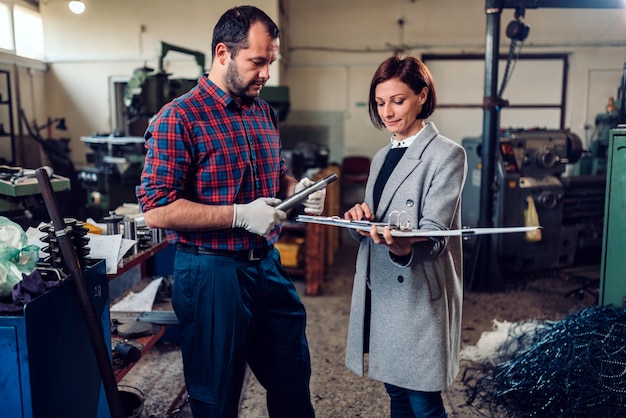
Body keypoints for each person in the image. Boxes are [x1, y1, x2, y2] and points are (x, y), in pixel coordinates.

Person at [136, 6, 322, 417]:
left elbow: (275, 175)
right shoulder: (179, 118)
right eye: (257, 61)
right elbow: (157, 210)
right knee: (216, 398)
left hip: (266, 266)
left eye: (270, 62)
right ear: (223, 53)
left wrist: (297, 190)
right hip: (211, 274)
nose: (266, 74)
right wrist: (237, 215)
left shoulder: (263, 112)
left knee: (293, 380)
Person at [343, 55, 467, 418]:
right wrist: (358, 219)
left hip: (417, 292)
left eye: (397, 100)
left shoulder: (447, 154)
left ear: (422, 96)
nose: (387, 112)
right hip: (383, 290)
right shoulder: (381, 157)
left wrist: (402, 246)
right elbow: (375, 223)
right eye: (380, 103)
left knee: (423, 400)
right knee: (396, 392)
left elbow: (436, 233)